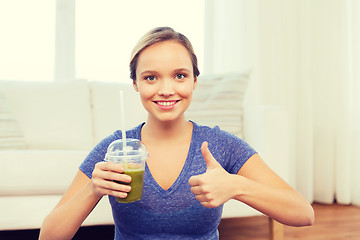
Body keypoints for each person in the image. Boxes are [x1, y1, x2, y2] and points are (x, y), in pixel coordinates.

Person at [39, 27, 314, 240]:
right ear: (135, 84)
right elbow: (49, 235)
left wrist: (236, 186)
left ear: (195, 80)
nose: (166, 89)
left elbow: (303, 213)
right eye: (151, 77)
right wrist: (93, 189)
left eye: (180, 75)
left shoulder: (220, 145)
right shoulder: (115, 148)